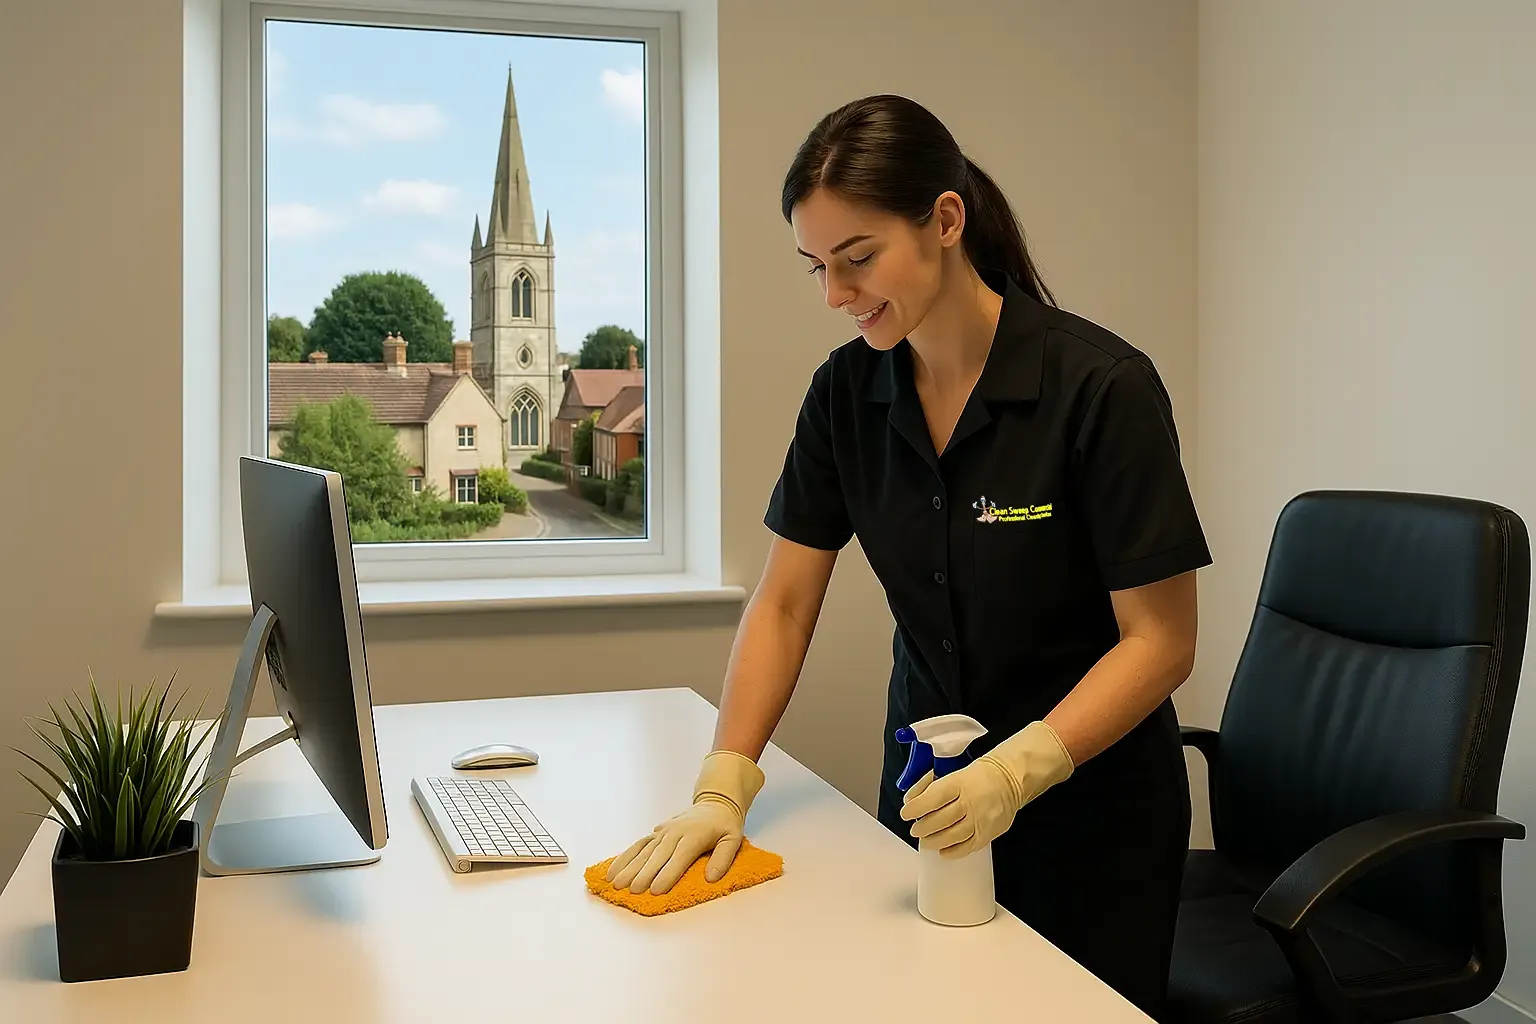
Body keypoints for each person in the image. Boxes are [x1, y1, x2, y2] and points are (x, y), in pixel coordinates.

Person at [603, 93, 1209, 1020]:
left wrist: (1018, 770)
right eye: (816, 266)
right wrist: (724, 781)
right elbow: (783, 604)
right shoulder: (847, 393)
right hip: (926, 806)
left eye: (858, 259)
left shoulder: (1100, 389)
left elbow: (1161, 641)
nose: (836, 296)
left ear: (947, 221)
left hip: (1091, 819)